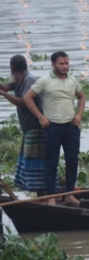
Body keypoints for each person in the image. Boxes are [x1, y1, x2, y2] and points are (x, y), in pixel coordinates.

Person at [24, 51, 85, 205]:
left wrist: (79, 115)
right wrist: (40, 117)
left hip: (71, 127)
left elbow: (82, 97)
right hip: (53, 127)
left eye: (66, 63)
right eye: (61, 64)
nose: (65, 66)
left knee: (72, 160)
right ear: (53, 65)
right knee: (52, 162)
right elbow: (27, 97)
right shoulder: (45, 80)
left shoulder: (72, 80)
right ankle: (51, 196)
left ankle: (69, 194)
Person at [0, 55, 50, 194]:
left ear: (12, 68)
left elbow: (24, 102)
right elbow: (5, 86)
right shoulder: (18, 79)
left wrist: (4, 94)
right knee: (31, 164)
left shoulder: (29, 80)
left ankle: (44, 195)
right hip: (29, 130)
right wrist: (3, 90)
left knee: (36, 164)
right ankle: (40, 195)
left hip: (36, 129)